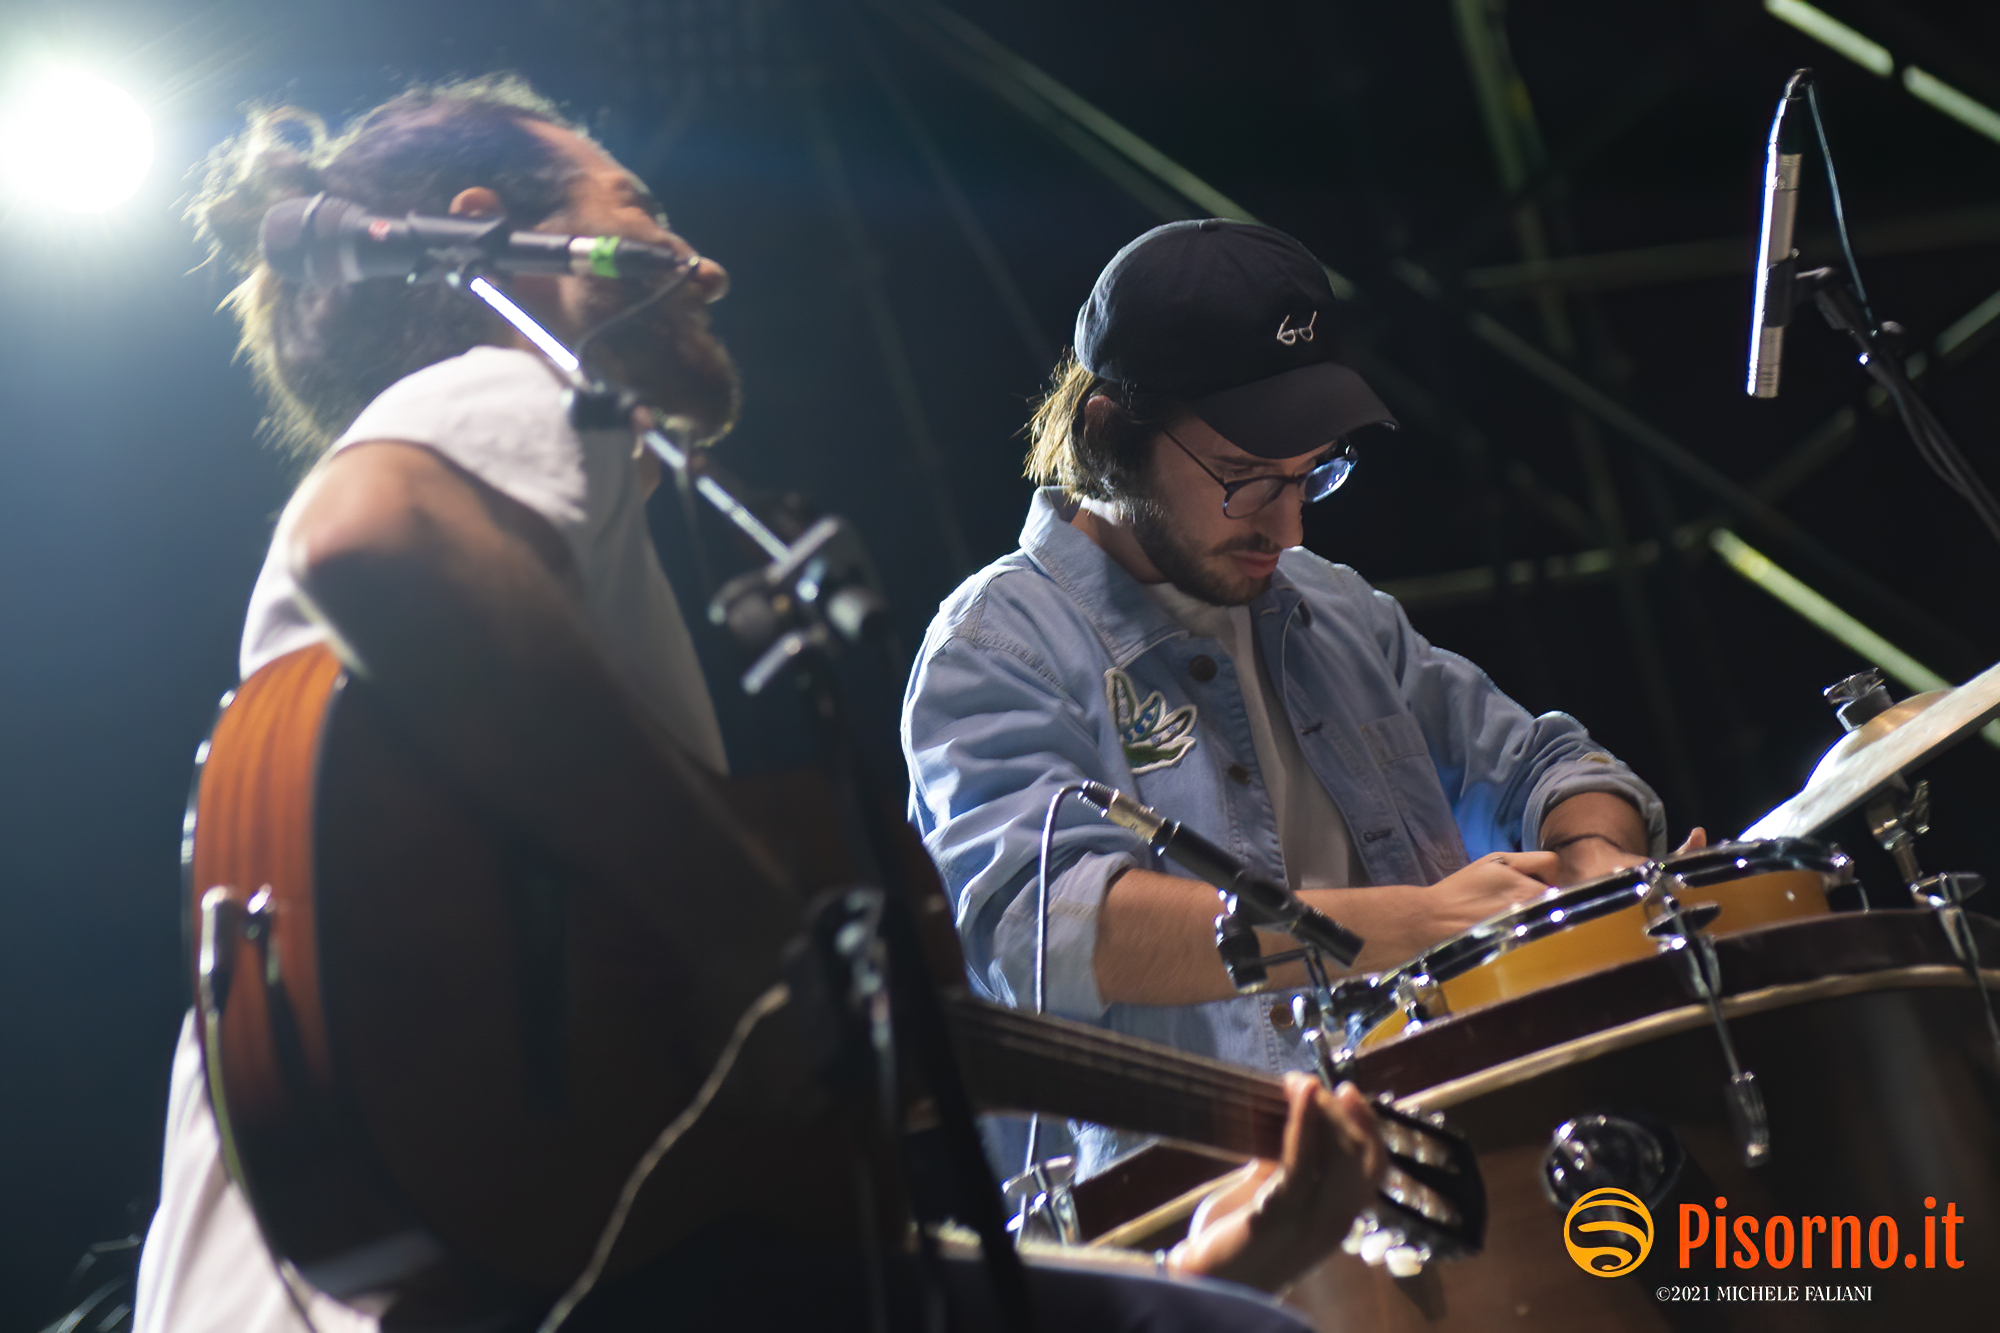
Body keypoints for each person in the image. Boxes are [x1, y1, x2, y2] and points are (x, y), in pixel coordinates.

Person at [136, 82, 1388, 1333]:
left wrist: (1197, 1280)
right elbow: (368, 537)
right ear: (491, 236)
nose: (705, 265)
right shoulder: (517, 385)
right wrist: (739, 922)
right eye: (639, 209)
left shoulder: (563, 617)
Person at [903, 219, 1696, 1177]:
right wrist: (1404, 925)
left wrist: (1597, 860)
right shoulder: (995, 647)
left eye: (1314, 472)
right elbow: (1053, 932)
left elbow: (1545, 765)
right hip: (1207, 1211)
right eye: (1244, 481)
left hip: (1457, 1131)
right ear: (1110, 435)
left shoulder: (1333, 604)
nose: (1288, 526)